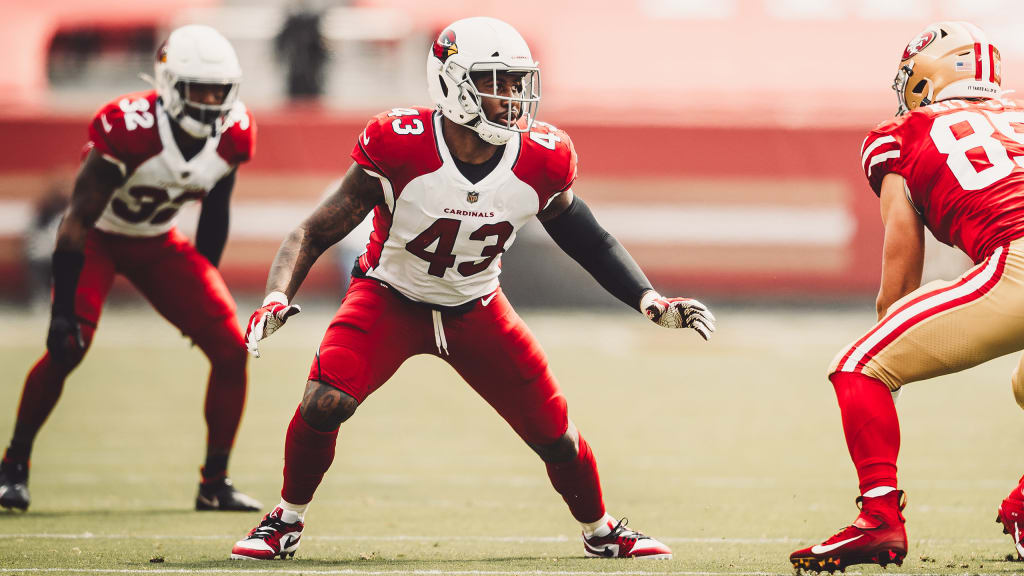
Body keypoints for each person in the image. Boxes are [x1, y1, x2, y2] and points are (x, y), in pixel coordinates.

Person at [230, 16, 715, 561]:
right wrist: (276, 294)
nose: (512, 97)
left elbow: (591, 240)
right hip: (389, 296)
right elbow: (314, 230)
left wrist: (650, 299)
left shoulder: (542, 156)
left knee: (555, 434)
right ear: (450, 81)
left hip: (477, 305)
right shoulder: (399, 143)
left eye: (517, 83)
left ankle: (602, 530)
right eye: (496, 81)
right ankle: (285, 520)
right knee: (324, 401)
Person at [790, 21, 1024, 572]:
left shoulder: (903, 131)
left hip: (1018, 259)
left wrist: (885, 346)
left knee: (857, 366)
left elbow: (901, 256)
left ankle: (878, 520)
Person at [0, 25, 260, 513]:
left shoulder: (235, 133)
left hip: (159, 242)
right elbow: (76, 220)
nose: (210, 102)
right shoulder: (130, 126)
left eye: (219, 91)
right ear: (169, 85)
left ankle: (215, 482)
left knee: (231, 348)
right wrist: (60, 314)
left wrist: (207, 279)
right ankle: (12, 466)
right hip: (98, 238)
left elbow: (216, 209)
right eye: (198, 90)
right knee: (68, 347)